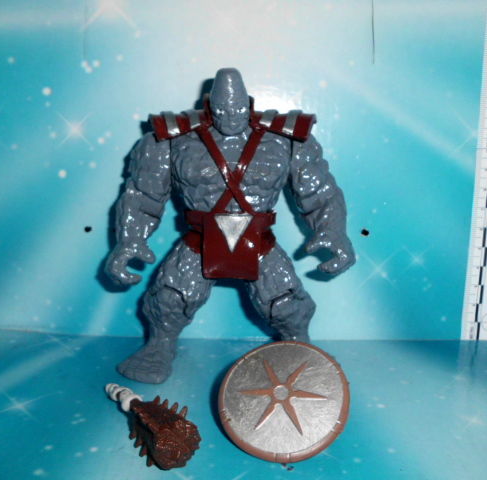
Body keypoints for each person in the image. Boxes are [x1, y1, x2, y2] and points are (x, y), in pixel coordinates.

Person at [105, 68, 355, 383]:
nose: (230, 115)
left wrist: (332, 231)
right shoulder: (172, 139)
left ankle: (300, 348)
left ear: (249, 104)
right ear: (210, 105)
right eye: (222, 109)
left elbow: (320, 192)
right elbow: (143, 195)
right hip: (200, 239)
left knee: (286, 306)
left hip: (259, 239)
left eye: (237, 109)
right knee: (171, 298)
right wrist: (130, 240)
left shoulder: (286, 139)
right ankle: (159, 346)